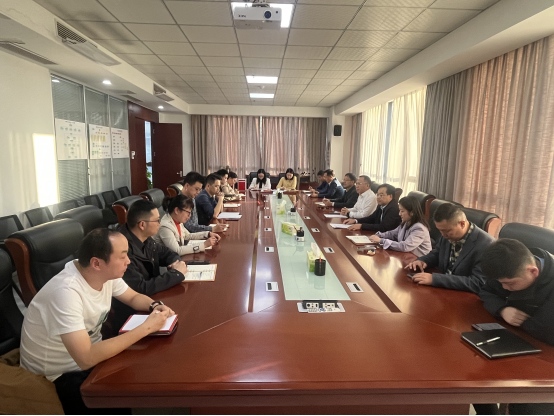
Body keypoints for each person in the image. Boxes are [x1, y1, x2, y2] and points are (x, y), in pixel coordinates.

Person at [19, 228, 175, 415]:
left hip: (90, 353)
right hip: (59, 374)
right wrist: (146, 328)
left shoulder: (102, 274)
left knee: (143, 366)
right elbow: (86, 358)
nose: (128, 261)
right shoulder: (65, 292)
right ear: (96, 263)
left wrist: (154, 305)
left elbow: (133, 297)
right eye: (123, 256)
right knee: (122, 393)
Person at [479, 238, 554, 415]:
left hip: (546, 364)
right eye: (502, 283)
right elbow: (485, 291)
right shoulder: (510, 268)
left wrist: (520, 318)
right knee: (479, 378)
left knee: (527, 406)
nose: (505, 288)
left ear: (533, 271)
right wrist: (502, 309)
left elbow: (546, 329)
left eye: (510, 284)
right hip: (520, 343)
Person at [405, 203, 494, 293]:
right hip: (443, 290)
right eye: (440, 230)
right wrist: (423, 261)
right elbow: (437, 253)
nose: (443, 235)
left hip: (464, 295)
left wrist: (435, 279)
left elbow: (477, 282)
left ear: (462, 224)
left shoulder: (487, 245)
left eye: (447, 231)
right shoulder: (447, 234)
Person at [119, 199, 187, 295]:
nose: (160, 223)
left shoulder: (146, 238)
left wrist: (175, 263)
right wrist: (176, 274)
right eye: (157, 220)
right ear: (142, 225)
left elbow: (167, 253)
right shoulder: (121, 250)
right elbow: (141, 288)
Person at [154, 194, 220, 256]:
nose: (189, 216)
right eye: (188, 212)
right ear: (177, 210)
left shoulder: (177, 220)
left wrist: (207, 234)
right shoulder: (165, 227)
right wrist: (204, 245)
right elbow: (177, 250)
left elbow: (187, 236)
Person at [367, 196, 432, 257]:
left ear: (412, 212)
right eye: (399, 210)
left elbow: (405, 246)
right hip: (407, 255)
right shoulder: (406, 222)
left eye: (402, 211)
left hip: (419, 260)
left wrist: (381, 240)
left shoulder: (419, 228)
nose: (399, 214)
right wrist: (378, 235)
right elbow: (392, 234)